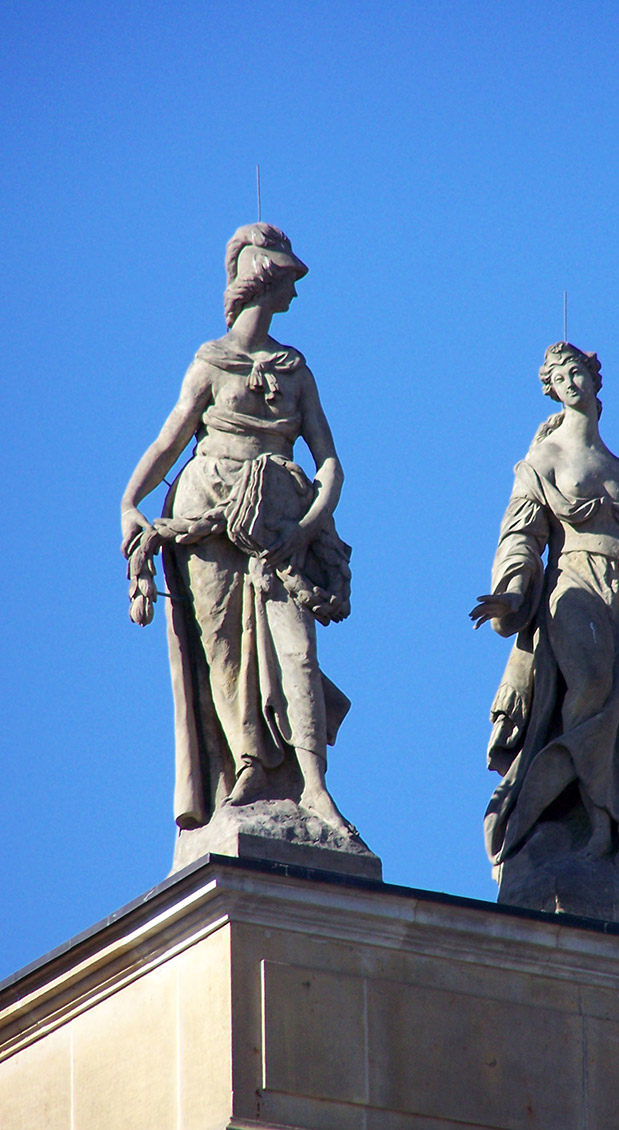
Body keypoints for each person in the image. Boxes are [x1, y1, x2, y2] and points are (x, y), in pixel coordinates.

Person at [121, 222, 353, 834]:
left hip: (279, 516)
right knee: (221, 649)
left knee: (296, 651)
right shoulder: (211, 363)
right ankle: (247, 763)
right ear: (263, 280)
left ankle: (316, 788)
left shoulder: (295, 370)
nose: (296, 296)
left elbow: (330, 462)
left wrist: (306, 528)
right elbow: (171, 438)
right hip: (207, 510)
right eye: (288, 280)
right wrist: (129, 502)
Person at [471, 341, 619, 884]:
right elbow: (520, 538)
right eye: (559, 377)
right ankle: (565, 813)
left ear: (595, 381)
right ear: (551, 389)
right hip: (575, 585)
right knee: (591, 688)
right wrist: (512, 593)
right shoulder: (541, 462)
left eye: (577, 372)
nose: (570, 382)